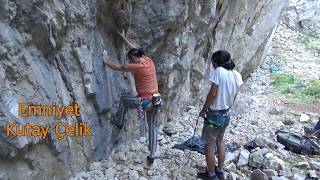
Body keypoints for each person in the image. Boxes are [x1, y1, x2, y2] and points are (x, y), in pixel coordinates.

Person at [102, 31, 161, 163]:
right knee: (153, 126)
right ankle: (152, 154)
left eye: (130, 59)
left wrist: (106, 62)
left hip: (145, 101)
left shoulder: (137, 66)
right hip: (157, 100)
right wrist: (123, 38)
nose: (129, 61)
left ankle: (118, 121)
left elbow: (120, 67)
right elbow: (134, 49)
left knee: (124, 100)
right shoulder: (148, 60)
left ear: (133, 59)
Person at [197, 50, 243, 180]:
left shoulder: (218, 72)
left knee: (209, 145)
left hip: (214, 116)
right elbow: (234, 96)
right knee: (220, 141)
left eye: (212, 62)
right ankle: (220, 171)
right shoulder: (236, 75)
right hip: (226, 114)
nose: (212, 64)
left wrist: (204, 109)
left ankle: (211, 175)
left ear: (216, 62)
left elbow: (213, 94)